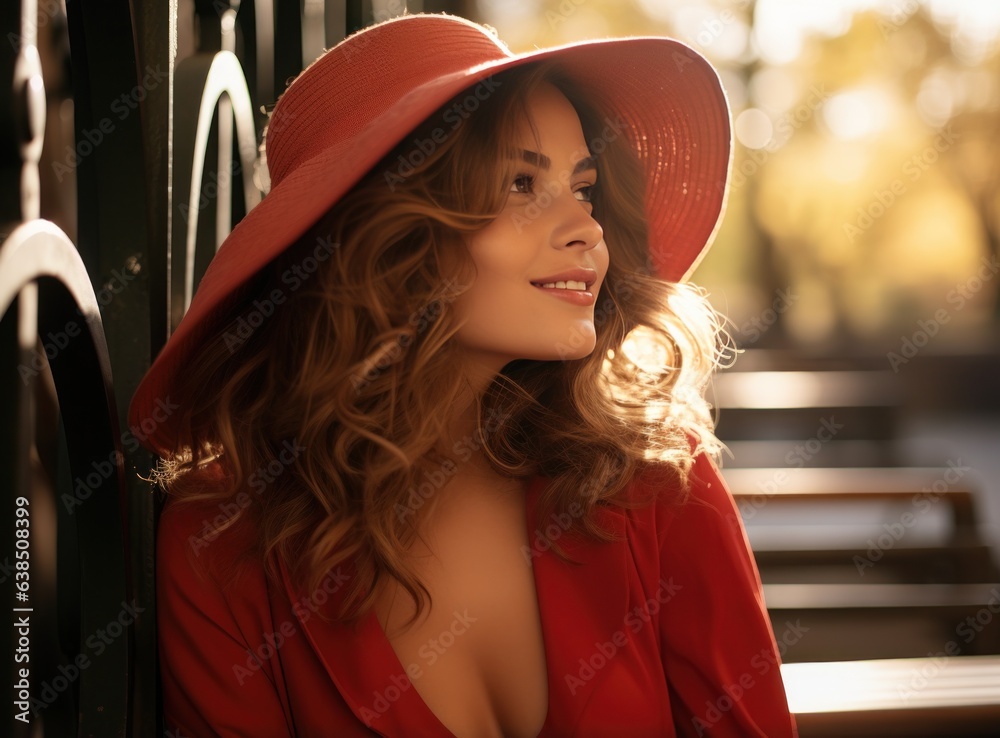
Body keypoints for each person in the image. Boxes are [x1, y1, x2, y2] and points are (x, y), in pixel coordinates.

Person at [129, 12, 798, 738]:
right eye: (520, 182)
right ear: (384, 237)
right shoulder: (224, 542)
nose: (588, 228)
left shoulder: (656, 482)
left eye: (583, 186)